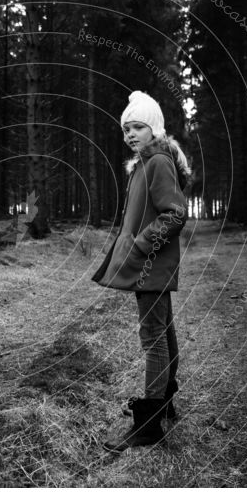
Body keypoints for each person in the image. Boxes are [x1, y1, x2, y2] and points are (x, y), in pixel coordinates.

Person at [91, 90, 190, 452]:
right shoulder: (146, 164)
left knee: (153, 338)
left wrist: (141, 245)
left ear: (154, 129)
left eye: (137, 127)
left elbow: (175, 213)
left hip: (151, 264)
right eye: (125, 129)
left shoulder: (158, 162)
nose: (130, 134)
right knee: (163, 330)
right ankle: (164, 402)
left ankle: (148, 425)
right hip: (149, 265)